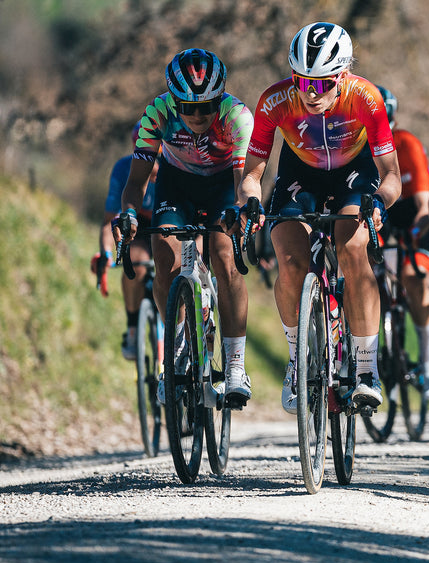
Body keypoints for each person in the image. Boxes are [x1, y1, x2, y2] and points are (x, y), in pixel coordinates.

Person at [238, 22, 400, 415]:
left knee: (352, 248)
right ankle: (297, 361)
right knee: (290, 262)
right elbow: (252, 174)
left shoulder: (366, 98)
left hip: (354, 176)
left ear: (343, 74)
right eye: (302, 80)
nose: (311, 93)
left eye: (324, 83)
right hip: (300, 176)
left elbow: (392, 174)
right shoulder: (275, 101)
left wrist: (379, 202)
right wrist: (251, 202)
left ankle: (365, 369)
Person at [115, 48, 255, 407]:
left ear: (219, 98)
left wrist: (239, 212)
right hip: (177, 185)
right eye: (187, 106)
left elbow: (244, 182)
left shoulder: (237, 116)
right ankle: (174, 349)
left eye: (206, 106)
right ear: (173, 101)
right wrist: (129, 213)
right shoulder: (157, 112)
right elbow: (135, 184)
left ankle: (236, 364)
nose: (196, 114)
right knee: (166, 260)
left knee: (224, 257)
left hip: (224, 184)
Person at [374, 84, 429, 401]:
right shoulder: (355, 147)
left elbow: (423, 204)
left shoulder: (407, 143)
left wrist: (420, 237)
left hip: (409, 217)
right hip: (375, 217)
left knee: (413, 274)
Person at [92, 124, 158, 360]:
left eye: (160, 156)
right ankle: (133, 328)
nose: (155, 166)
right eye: (148, 157)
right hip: (137, 228)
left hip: (167, 224)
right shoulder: (123, 170)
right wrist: (106, 253)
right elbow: (109, 222)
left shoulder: (177, 168)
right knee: (136, 263)